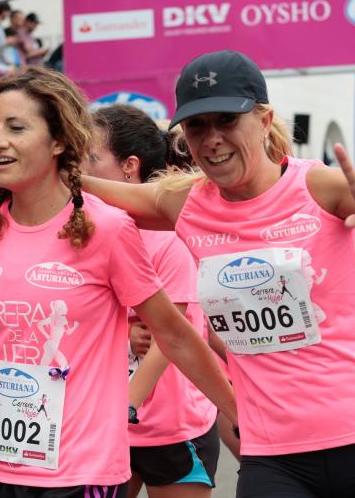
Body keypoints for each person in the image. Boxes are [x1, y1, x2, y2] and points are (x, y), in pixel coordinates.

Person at [0, 50, 355, 497]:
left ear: (264, 120)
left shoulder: (319, 187)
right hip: (276, 454)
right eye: (196, 126)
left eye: (226, 120)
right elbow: (57, 180)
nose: (211, 138)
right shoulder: (183, 205)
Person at [0, 66, 236, 498]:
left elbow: (176, 336)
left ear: (60, 141)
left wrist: (244, 416)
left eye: (16, 127)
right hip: (3, 468)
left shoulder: (110, 228)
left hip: (85, 470)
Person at [85, 105, 219, 498]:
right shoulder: (84, 233)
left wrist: (124, 406)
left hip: (171, 428)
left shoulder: (167, 238)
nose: (77, 167)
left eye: (91, 157)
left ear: (129, 166)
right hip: (104, 428)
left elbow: (169, 337)